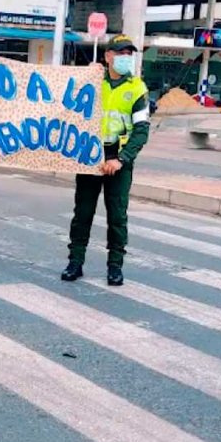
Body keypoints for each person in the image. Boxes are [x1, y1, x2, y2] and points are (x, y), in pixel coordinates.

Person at [62, 34, 151, 287]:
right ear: (108, 56)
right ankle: (75, 262)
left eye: (129, 54)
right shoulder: (93, 82)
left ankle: (115, 267)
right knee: (83, 213)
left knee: (117, 216)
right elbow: (64, 99)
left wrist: (122, 159)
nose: (126, 58)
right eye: (120, 53)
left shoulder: (137, 88)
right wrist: (84, 76)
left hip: (119, 161)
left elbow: (142, 130)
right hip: (90, 156)